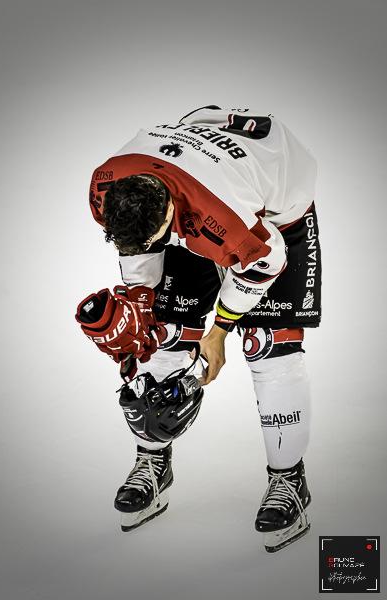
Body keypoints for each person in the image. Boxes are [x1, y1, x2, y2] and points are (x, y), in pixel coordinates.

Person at [85, 105, 321, 551]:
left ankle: (290, 481)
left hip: (275, 209)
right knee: (161, 337)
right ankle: (153, 462)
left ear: (169, 214)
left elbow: (266, 262)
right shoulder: (104, 184)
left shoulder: (223, 218)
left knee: (269, 346)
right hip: (194, 178)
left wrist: (219, 332)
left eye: (158, 236)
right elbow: (139, 250)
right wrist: (142, 308)